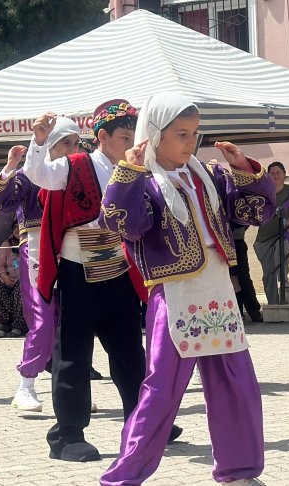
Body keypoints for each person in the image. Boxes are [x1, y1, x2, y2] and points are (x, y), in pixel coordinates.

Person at [99, 92, 275, 486]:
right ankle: (123, 477)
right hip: (175, 296)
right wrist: (126, 173)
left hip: (218, 294)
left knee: (237, 386)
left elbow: (256, 212)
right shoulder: (141, 181)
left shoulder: (208, 176)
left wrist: (244, 168)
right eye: (181, 133)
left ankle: (239, 472)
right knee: (161, 393)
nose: (191, 142)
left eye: (195, 133)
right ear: (154, 134)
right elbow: (119, 223)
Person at [24, 101, 160, 462]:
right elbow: (38, 175)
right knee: (73, 356)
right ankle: (67, 436)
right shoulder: (75, 165)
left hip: (117, 271)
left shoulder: (137, 171)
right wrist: (38, 142)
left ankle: (142, 423)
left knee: (131, 352)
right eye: (125, 137)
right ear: (102, 137)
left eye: (136, 136)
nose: (134, 143)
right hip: (76, 272)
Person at [0, 118, 80, 412]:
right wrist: (9, 168)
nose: (72, 149)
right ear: (49, 144)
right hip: (38, 249)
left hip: (70, 248)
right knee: (43, 319)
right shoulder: (29, 175)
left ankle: (69, 391)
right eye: (66, 143)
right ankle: (25, 386)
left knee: (73, 320)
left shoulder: (77, 173)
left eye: (76, 143)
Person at [254, 161, 289, 304]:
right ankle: (274, 305)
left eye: (278, 172)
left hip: (283, 234)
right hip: (263, 240)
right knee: (269, 274)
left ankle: (283, 278)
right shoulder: (264, 192)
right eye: (272, 173)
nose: (276, 175)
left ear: (284, 175)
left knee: (281, 246)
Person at [0, 225, 27, 338]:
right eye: (14, 228)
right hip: (8, 278)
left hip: (23, 279)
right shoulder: (6, 244)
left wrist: (19, 279)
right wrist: (6, 278)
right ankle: (3, 322)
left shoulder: (29, 242)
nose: (16, 230)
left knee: (21, 289)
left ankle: (17, 325)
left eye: (19, 227)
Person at [229, 222, 264, 322]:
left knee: (240, 279)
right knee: (237, 279)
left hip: (235, 243)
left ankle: (245, 313)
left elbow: (245, 220)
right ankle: (247, 313)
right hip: (231, 243)